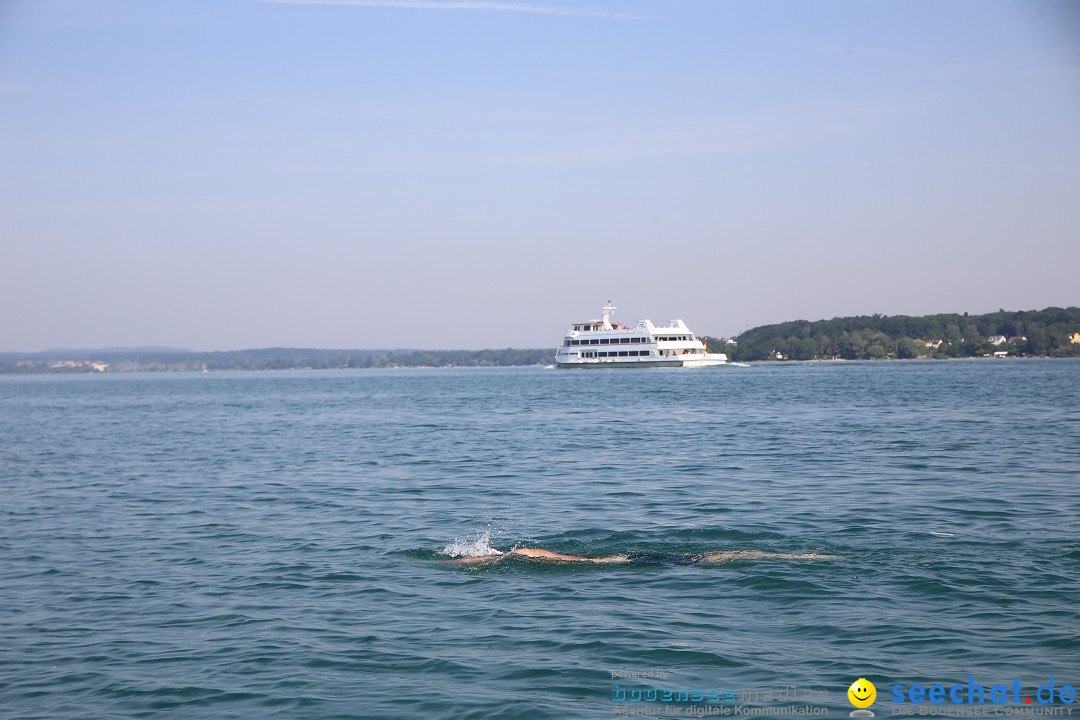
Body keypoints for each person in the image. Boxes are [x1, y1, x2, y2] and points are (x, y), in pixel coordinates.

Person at [448, 547, 831, 565]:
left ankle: (798, 557)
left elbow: (524, 551)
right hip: (644, 559)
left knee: (709, 560)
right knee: (711, 558)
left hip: (636, 562)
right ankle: (798, 557)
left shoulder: (517, 552)